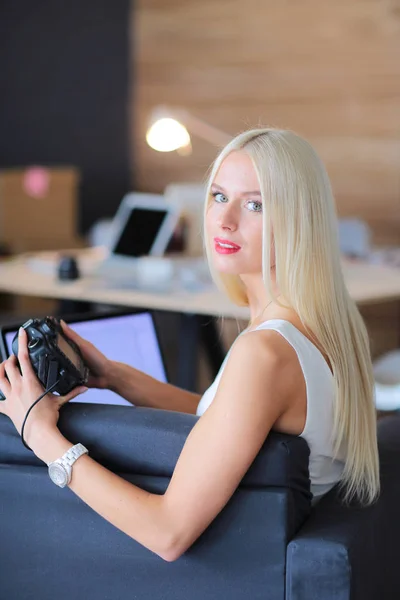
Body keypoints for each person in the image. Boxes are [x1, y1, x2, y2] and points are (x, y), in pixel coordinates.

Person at [0, 128, 380, 562]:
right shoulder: (325, 323)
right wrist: (116, 377)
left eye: (255, 204)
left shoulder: (265, 354)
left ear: (299, 220)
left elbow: (167, 533)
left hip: (232, 568)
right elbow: (228, 418)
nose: (225, 219)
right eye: (219, 196)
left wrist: (40, 435)